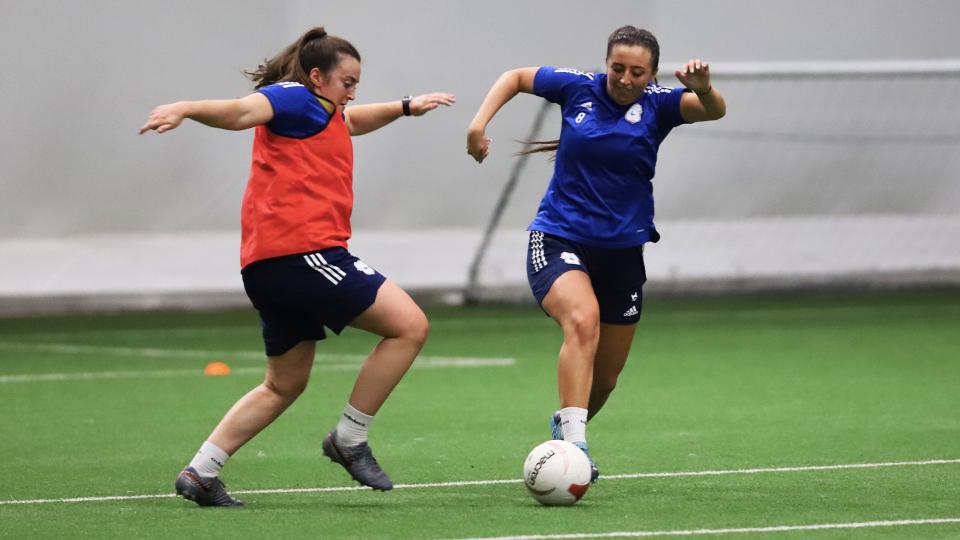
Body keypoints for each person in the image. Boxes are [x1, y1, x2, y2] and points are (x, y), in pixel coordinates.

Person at [140, 26, 455, 506]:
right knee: (409, 326)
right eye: (347, 82)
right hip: (303, 255)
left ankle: (201, 472)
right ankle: (349, 438)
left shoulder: (324, 112)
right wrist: (186, 107)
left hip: (271, 266)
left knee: (284, 382)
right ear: (316, 77)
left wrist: (407, 106)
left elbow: (354, 120)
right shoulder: (291, 98)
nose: (353, 92)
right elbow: (242, 112)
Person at [466, 26, 725, 482]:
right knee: (581, 321)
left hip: (622, 254)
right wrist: (477, 124)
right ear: (606, 63)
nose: (625, 79)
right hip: (558, 238)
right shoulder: (576, 87)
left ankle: (567, 424)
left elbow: (713, 111)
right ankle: (574, 447)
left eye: (637, 72)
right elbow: (514, 77)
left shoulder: (661, 104)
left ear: (652, 74)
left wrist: (704, 90)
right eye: (617, 68)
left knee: (603, 381)